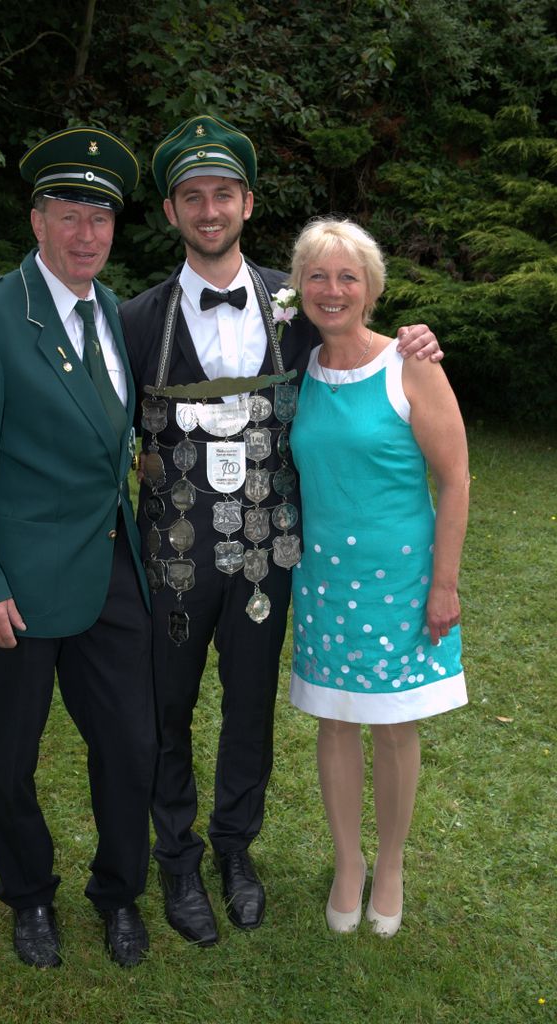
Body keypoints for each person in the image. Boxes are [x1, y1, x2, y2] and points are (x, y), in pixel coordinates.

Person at [120, 114, 443, 946]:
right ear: (171, 211)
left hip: (269, 557)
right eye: (193, 197)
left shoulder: (297, 306)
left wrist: (416, 339)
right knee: (166, 708)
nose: (210, 210)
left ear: (248, 204)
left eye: (224, 194)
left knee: (250, 709)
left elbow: (362, 341)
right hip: (173, 560)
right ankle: (177, 857)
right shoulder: (138, 320)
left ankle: (236, 849)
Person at [0, 127, 157, 969]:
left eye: (101, 217)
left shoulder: (111, 311)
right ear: (37, 220)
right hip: (16, 585)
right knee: (10, 756)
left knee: (131, 744)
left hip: (110, 569)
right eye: (69, 214)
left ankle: (119, 893)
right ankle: (27, 894)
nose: (87, 234)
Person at [288, 217, 469, 938]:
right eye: (317, 276)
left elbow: (455, 479)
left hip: (401, 582)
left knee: (394, 725)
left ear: (372, 289)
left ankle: (389, 864)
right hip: (324, 580)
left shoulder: (409, 364)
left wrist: (444, 584)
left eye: (348, 277)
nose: (332, 290)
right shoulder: (297, 363)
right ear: (298, 286)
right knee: (335, 720)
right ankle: (347, 862)